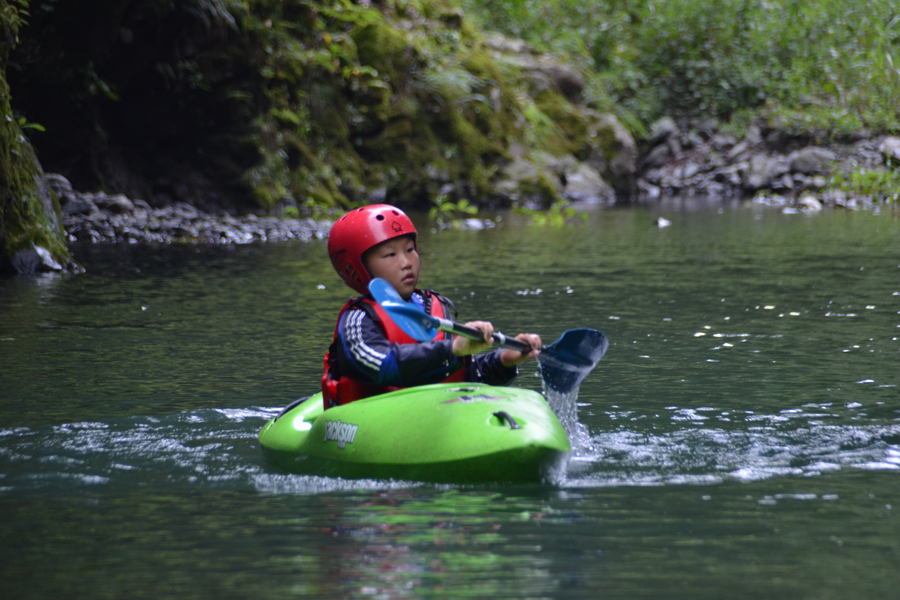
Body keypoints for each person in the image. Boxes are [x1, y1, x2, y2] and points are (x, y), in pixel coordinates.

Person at [322, 204, 541, 409]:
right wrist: (452, 349)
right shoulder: (358, 318)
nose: (406, 262)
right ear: (355, 269)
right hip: (371, 419)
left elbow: (461, 374)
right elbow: (380, 366)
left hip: (431, 413)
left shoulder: (434, 306)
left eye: (410, 249)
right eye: (390, 254)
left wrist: (504, 360)